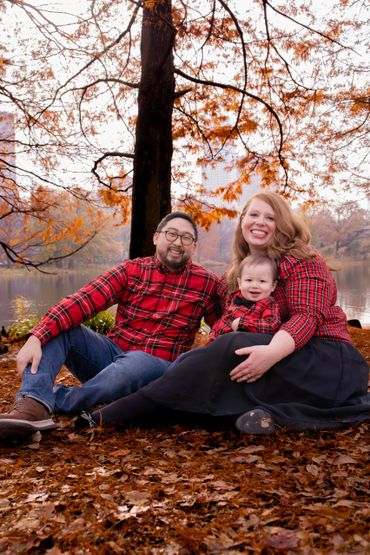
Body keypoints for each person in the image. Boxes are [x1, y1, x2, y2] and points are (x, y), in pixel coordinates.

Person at [76, 191, 370, 435]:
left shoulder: (301, 259)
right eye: (253, 215)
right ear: (242, 222)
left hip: (325, 359)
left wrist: (267, 355)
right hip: (279, 361)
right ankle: (253, 416)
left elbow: (307, 317)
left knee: (233, 346)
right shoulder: (237, 274)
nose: (260, 222)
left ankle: (121, 411)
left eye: (270, 217)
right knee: (221, 351)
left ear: (282, 224)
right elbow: (225, 319)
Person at [0, 212, 224, 440]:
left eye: (186, 238)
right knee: (61, 328)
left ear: (193, 247)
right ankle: (32, 407)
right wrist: (36, 337)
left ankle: (59, 399)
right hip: (111, 359)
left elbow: (225, 328)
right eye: (172, 234)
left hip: (158, 372)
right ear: (156, 238)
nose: (178, 242)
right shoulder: (132, 271)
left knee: (139, 361)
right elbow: (83, 301)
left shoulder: (208, 284)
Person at [208, 253, 280, 340]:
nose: (254, 285)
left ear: (273, 286)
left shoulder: (268, 304)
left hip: (242, 343)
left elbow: (272, 325)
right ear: (240, 283)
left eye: (262, 281)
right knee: (195, 353)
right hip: (218, 340)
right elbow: (224, 319)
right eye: (249, 280)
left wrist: (243, 323)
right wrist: (214, 333)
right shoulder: (235, 297)